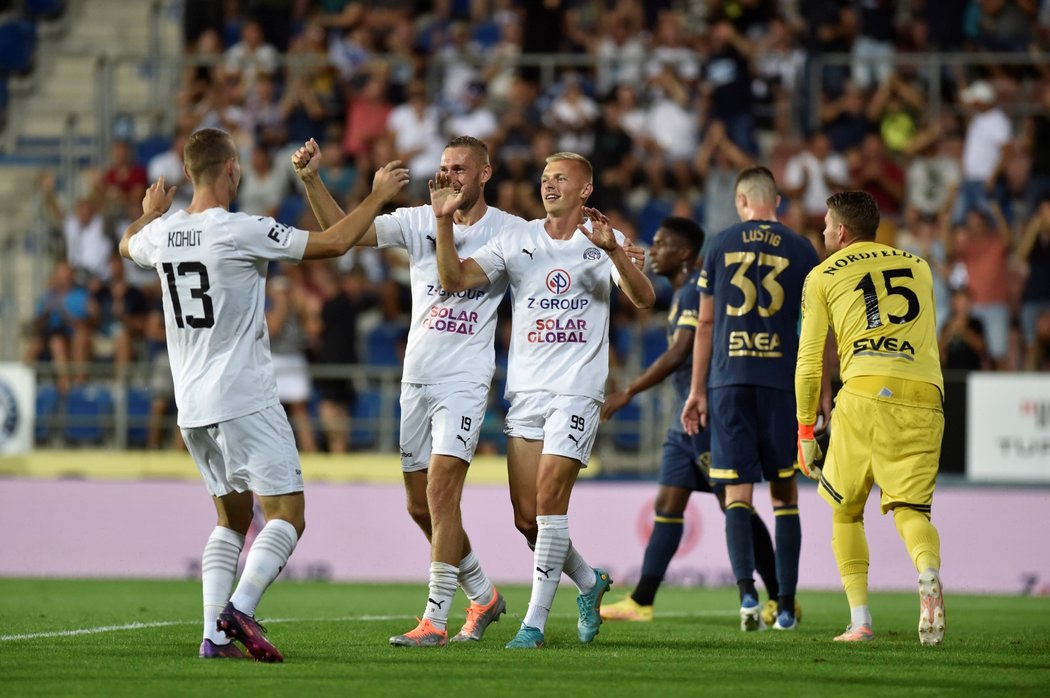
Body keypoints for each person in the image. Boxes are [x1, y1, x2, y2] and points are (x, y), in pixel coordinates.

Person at [119, 127, 409, 661]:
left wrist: (149, 210)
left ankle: (213, 635)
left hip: (193, 406)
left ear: (186, 173)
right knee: (288, 514)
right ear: (233, 169)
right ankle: (242, 608)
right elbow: (335, 244)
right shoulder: (241, 229)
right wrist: (378, 196)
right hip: (243, 396)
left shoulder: (162, 234)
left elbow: (125, 242)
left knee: (230, 518)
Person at [291, 135, 517, 646]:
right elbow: (341, 234)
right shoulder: (417, 218)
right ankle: (483, 594)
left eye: (460, 168)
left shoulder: (509, 232)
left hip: (465, 378)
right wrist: (312, 181)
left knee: (441, 492)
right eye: (443, 166)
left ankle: (435, 620)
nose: (449, 175)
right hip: (417, 376)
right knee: (420, 506)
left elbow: (459, 280)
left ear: (485, 173)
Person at [434, 151, 656, 649]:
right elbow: (454, 279)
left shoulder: (605, 238)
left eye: (560, 178)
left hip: (577, 390)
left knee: (551, 501)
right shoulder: (518, 239)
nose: (549, 184)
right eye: (544, 178)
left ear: (585, 189)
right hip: (527, 392)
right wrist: (444, 223)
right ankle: (589, 580)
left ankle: (533, 624)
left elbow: (644, 299)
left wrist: (616, 253)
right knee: (527, 519)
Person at [599, 217, 787, 626]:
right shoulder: (683, 294)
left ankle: (780, 597)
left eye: (663, 243)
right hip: (684, 421)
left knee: (733, 504)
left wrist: (629, 390)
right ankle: (642, 600)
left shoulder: (693, 293)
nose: (655, 250)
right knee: (668, 503)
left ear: (684, 253)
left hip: (707, 416)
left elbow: (680, 351)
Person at [796, 191, 947, 645]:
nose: (823, 232)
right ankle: (928, 570)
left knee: (845, 510)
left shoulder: (821, 275)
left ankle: (860, 620)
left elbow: (809, 361)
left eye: (826, 225)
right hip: (924, 394)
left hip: (863, 392)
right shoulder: (919, 267)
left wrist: (806, 430)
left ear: (841, 231)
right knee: (910, 509)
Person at [681, 166, 821, 633]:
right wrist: (820, 392)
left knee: (736, 494)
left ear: (742, 202)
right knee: (784, 496)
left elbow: (703, 324)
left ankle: (746, 597)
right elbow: (817, 331)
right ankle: (785, 606)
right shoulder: (803, 249)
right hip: (782, 383)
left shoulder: (719, 244)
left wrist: (697, 390)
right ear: (775, 202)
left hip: (729, 381)